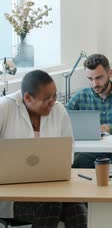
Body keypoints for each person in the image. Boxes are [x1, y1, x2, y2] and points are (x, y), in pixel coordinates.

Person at [0, 70, 87, 227]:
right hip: (13, 196)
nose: (53, 102)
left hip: (53, 190)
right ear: (27, 98)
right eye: (47, 99)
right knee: (50, 206)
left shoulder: (58, 110)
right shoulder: (4, 108)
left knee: (78, 210)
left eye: (55, 96)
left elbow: (69, 151)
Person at [67, 54, 112, 168]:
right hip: (90, 150)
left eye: (99, 78)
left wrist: (108, 127)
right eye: (90, 79)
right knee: (77, 166)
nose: (95, 84)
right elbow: (64, 118)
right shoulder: (81, 96)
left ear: (109, 73)